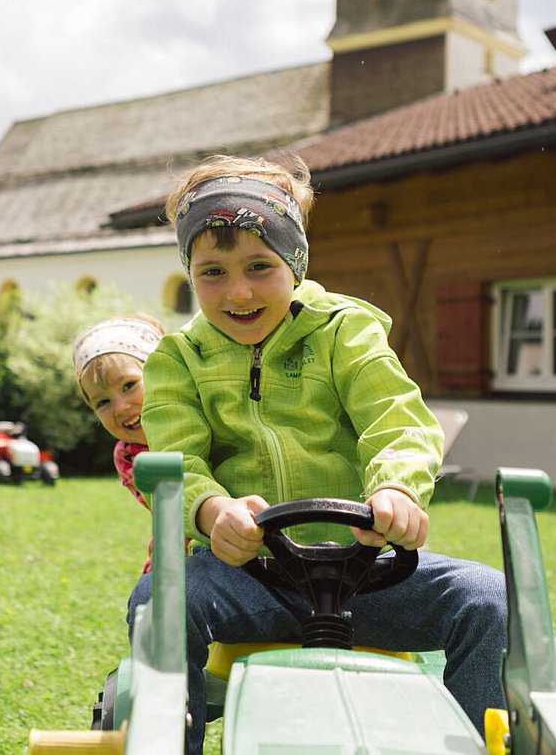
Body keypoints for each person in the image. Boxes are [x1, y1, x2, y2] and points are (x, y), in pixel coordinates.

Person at [133, 154, 507, 753]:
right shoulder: (179, 360)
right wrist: (210, 512)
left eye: (260, 266)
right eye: (212, 273)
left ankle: (477, 740)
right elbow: (175, 465)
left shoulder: (345, 332)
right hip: (247, 575)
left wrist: (396, 489)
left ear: (296, 262)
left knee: (487, 600)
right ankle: (171, 740)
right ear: (189, 274)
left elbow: (399, 420)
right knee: (160, 600)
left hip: (368, 574)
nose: (238, 291)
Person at [73, 314, 169, 574]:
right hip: (176, 560)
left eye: (128, 385)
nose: (120, 407)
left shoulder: (206, 418)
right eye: (102, 402)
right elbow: (174, 511)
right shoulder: (130, 457)